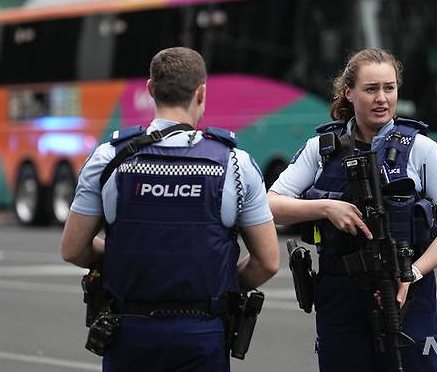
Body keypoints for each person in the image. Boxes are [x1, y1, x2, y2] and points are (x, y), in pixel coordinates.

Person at [61, 47, 279, 372]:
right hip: (202, 332)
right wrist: (216, 280)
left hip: (129, 331)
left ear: (150, 89)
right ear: (201, 93)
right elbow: (268, 262)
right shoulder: (236, 164)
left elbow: (73, 249)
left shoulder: (108, 159)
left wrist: (133, 256)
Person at [268, 48, 437, 372]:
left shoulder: (421, 148)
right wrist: (326, 208)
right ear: (349, 92)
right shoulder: (321, 148)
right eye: (371, 89)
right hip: (340, 297)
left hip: (405, 293)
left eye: (389, 88)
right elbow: (270, 206)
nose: (382, 98)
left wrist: (411, 274)